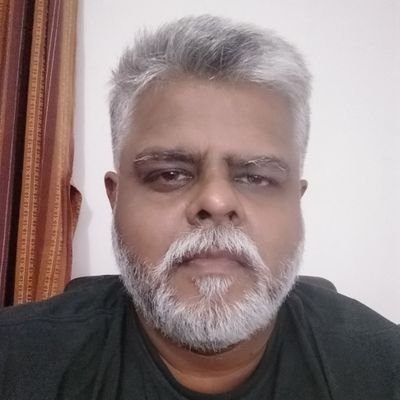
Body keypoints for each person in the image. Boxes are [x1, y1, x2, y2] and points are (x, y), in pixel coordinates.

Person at [0, 14, 399, 400]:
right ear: (115, 198)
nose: (216, 201)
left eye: (256, 177)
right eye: (170, 174)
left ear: (297, 202)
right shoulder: (14, 361)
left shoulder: (385, 368)